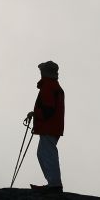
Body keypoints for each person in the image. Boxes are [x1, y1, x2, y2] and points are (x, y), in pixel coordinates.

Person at [25, 60, 65, 192]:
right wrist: (35, 114)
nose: (40, 73)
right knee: (44, 153)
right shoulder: (54, 86)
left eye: (42, 70)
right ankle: (53, 183)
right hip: (53, 126)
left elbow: (48, 109)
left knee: (46, 153)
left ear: (45, 72)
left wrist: (36, 115)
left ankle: (54, 185)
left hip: (49, 126)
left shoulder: (48, 85)